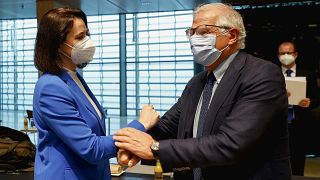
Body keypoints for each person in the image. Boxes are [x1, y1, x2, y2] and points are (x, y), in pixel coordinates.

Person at [113, 3, 292, 180]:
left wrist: (155, 148)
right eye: (192, 32)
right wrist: (132, 146)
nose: (194, 39)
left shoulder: (261, 74)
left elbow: (231, 144)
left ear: (231, 35)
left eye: (204, 32)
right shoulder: (196, 83)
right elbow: (168, 126)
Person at [32, 7, 159, 180]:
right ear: (58, 44)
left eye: (86, 34)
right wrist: (141, 124)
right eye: (80, 37)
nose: (88, 41)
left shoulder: (73, 78)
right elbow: (91, 148)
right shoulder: (51, 87)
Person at [278, 41, 320, 176]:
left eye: (288, 53)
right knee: (276, 161)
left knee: (298, 161)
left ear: (295, 55)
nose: (285, 56)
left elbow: (317, 98)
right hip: (277, 124)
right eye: (282, 53)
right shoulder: (271, 73)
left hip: (300, 124)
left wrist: (310, 102)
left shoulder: (308, 74)